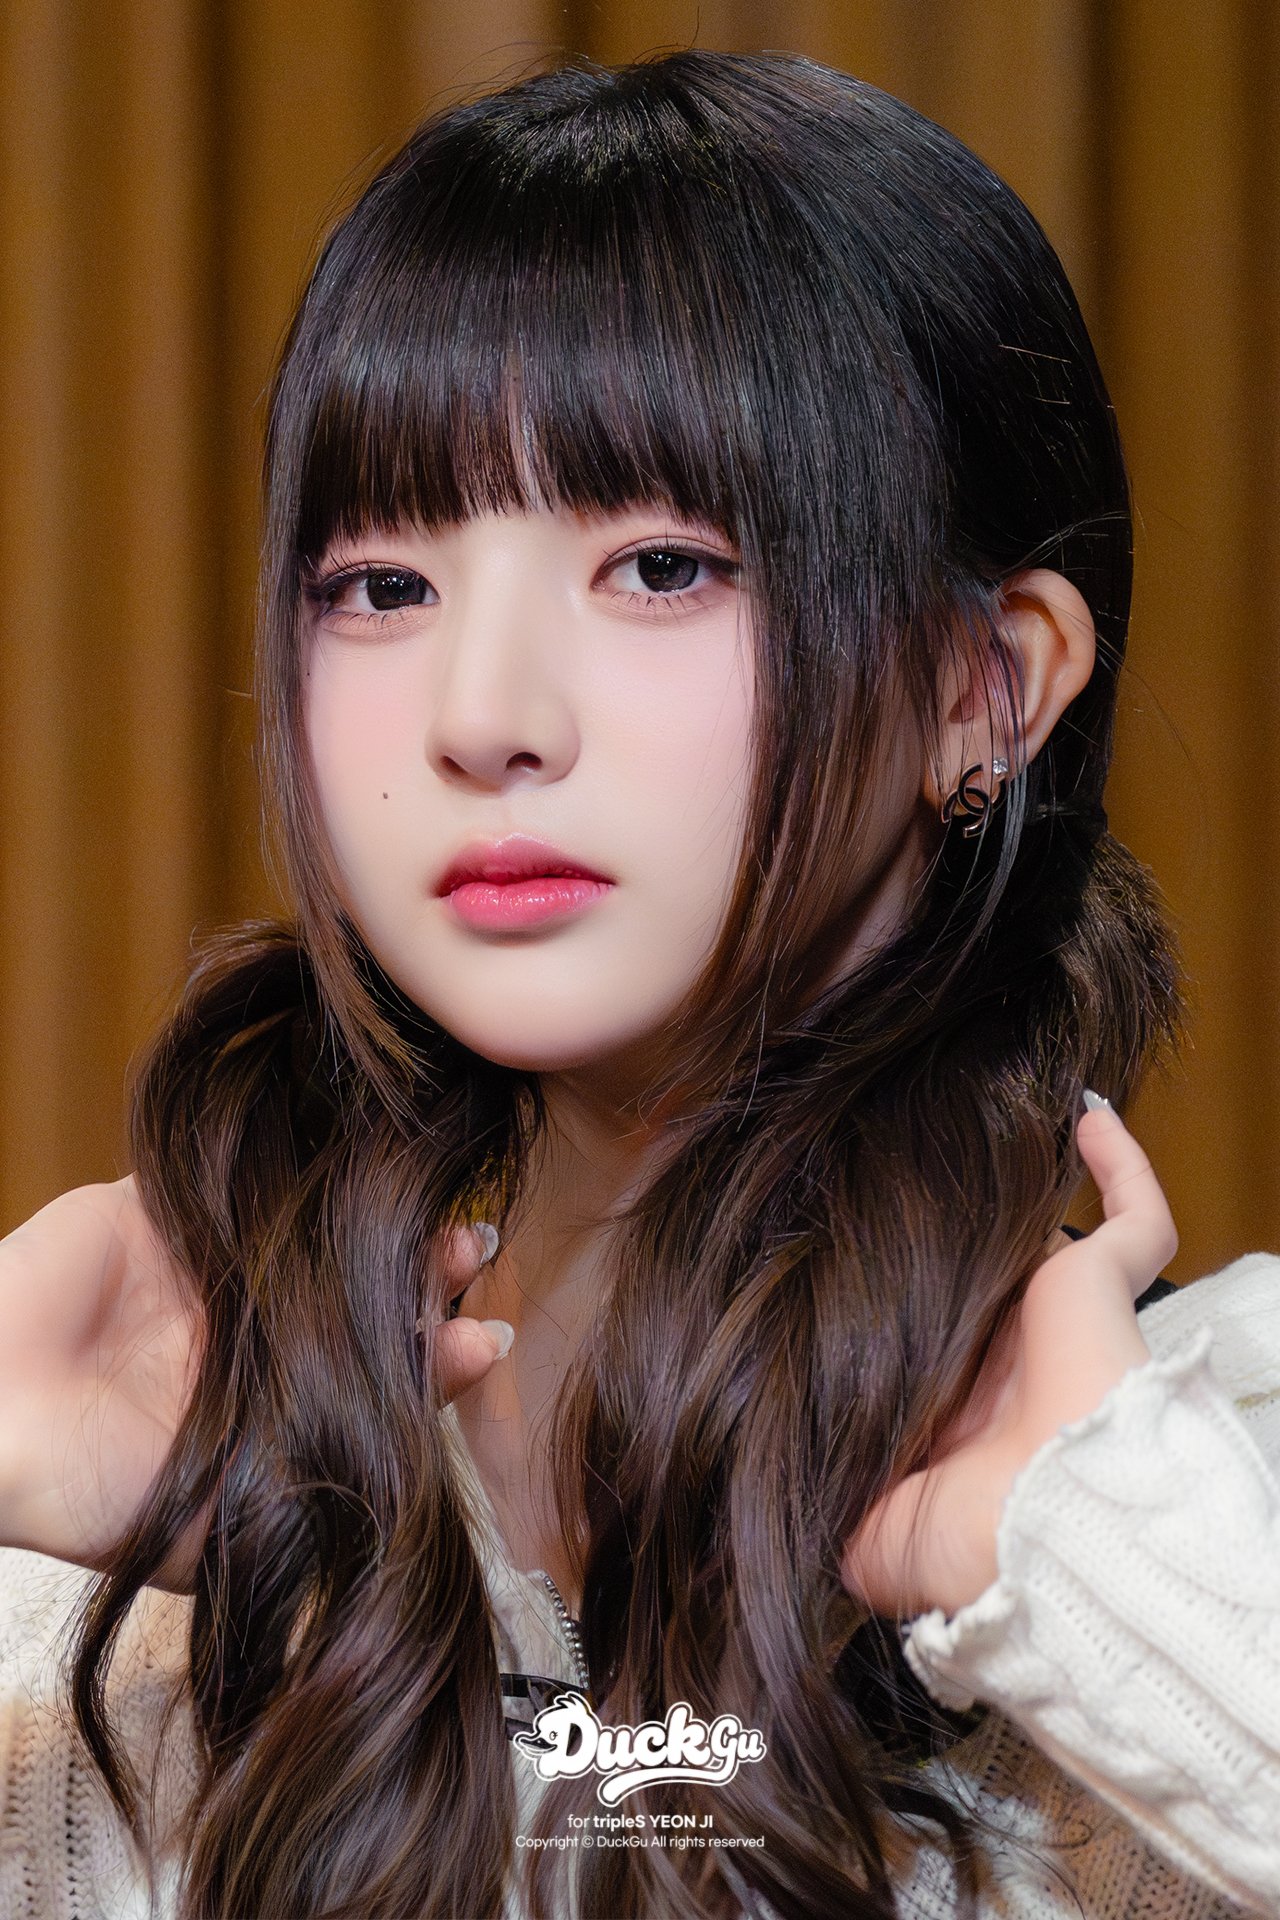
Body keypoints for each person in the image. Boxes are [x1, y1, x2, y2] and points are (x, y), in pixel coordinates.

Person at [0, 45, 1278, 1920]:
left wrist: (1091, 1555)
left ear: (985, 687)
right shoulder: (108, 1602)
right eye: (381, 586)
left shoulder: (1213, 1494)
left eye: (662, 566)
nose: (483, 717)